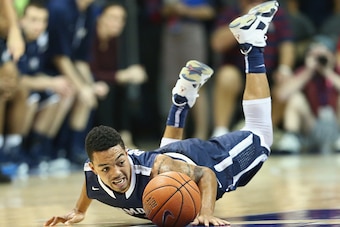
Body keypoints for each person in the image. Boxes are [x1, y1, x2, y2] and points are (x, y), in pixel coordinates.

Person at [44, 1, 276, 226]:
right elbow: (89, 184)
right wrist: (78, 210)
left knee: (261, 136)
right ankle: (181, 99)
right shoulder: (93, 173)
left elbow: (205, 175)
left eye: (120, 162)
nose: (116, 173)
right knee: (164, 153)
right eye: (105, 168)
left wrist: (205, 213)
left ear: (126, 153)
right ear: (94, 168)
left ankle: (251, 44)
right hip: (168, 154)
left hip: (204, 161)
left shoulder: (157, 168)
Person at [210, 0, 294, 141]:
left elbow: (287, 44)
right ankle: (220, 132)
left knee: (287, 83)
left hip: (269, 74)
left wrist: (284, 68)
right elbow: (217, 43)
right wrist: (246, 18)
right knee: (226, 76)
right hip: (239, 73)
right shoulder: (231, 12)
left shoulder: (276, 12)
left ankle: (264, 136)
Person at [45, 0, 108, 165]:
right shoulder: (59, 8)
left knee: (87, 94)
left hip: (67, 68)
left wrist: (90, 85)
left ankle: (74, 151)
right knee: (73, 91)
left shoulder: (89, 11)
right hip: (47, 69)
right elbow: (59, 56)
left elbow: (81, 59)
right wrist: (82, 88)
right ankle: (50, 151)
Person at [17, 0, 75, 167]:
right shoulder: (17, 41)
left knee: (59, 95)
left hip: (31, 87)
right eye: (34, 20)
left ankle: (40, 151)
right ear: (22, 20)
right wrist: (50, 82)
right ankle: (17, 152)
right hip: (16, 92)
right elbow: (19, 79)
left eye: (43, 21)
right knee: (31, 98)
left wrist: (55, 82)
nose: (39, 25)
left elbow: (34, 72)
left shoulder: (39, 41)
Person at [90, 1, 147, 148]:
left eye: (122, 19)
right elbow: (91, 71)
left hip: (104, 83)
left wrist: (131, 74)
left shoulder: (114, 40)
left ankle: (126, 137)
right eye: (113, 18)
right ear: (100, 18)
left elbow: (113, 71)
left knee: (121, 88)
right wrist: (122, 75)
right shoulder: (90, 37)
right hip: (89, 83)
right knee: (108, 88)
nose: (119, 23)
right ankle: (108, 143)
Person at [159, 0, 216, 140]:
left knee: (197, 83)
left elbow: (210, 11)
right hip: (171, 30)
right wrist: (171, 9)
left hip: (193, 30)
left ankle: (201, 134)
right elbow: (160, 11)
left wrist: (185, 10)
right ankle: (176, 136)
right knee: (173, 83)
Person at [276, 35, 340, 153]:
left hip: (335, 124)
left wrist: (328, 72)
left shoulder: (336, 71)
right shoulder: (304, 72)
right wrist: (308, 71)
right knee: (296, 98)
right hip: (311, 124)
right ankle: (292, 137)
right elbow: (282, 95)